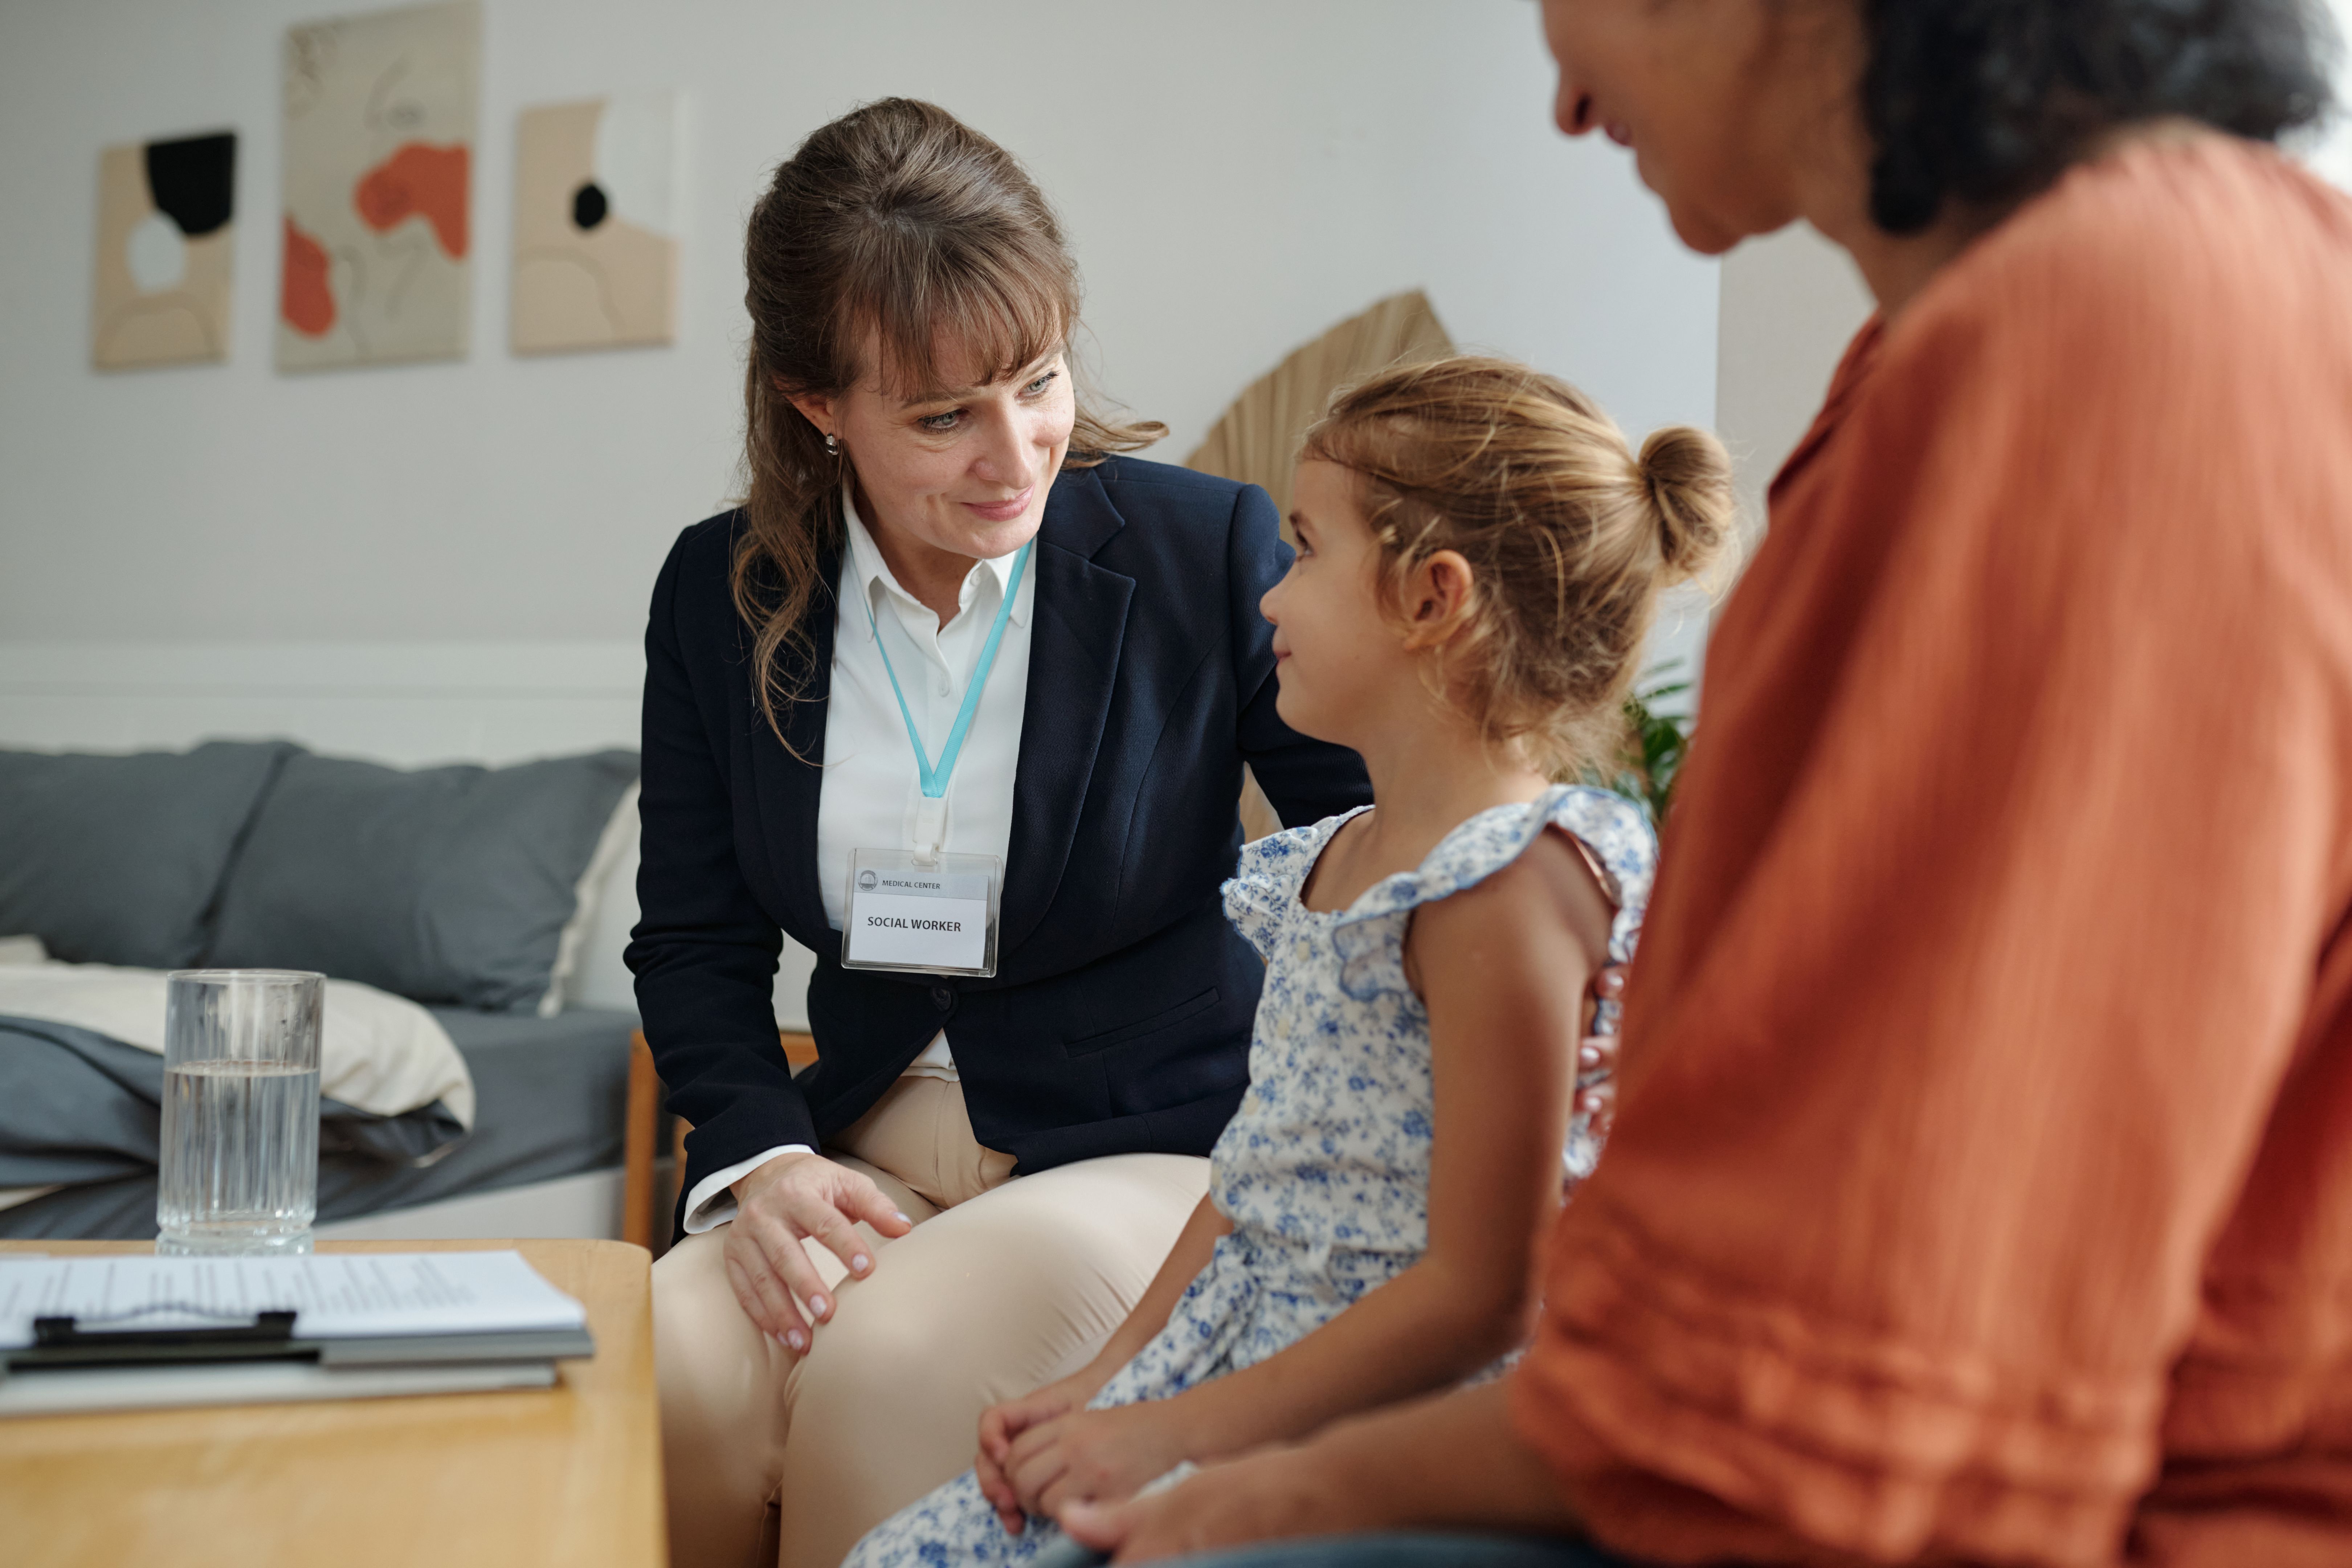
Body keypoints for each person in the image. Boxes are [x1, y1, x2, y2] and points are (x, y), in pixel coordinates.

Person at [1058, 1, 2352, 1565]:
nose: (1565, 96)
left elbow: (1852, 1387)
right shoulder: (2008, 333)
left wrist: (1284, 1489)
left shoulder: (2108, 346)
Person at [625, 97, 1380, 1568]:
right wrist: (762, 1164)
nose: (1016, 453)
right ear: (815, 403)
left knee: (886, 1373)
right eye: (941, 417)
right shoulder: (719, 591)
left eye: (1037, 383)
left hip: (1145, 1144)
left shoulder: (1203, 549)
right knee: (661, 1365)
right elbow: (697, 938)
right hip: (854, 1142)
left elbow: (1367, 850)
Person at [846, 355, 1734, 1568]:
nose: (1268, 598)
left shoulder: (1507, 887)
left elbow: (1483, 1295)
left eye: (1306, 551)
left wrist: (1167, 1433)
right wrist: (1107, 1382)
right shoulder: (1330, 860)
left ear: (1432, 599)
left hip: (1371, 1429)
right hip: (1223, 1373)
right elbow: (1254, 1174)